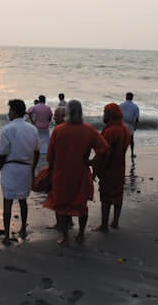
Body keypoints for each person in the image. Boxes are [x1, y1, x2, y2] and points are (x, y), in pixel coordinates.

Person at [44, 100, 109, 245]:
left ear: (67, 112)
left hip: (61, 174)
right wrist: (91, 162)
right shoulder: (89, 129)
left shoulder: (58, 130)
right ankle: (80, 234)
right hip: (80, 173)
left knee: (61, 205)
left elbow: (50, 156)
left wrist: (51, 168)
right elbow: (104, 149)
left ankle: (65, 237)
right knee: (81, 205)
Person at [0, 99, 40, 245]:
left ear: (15, 111)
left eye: (10, 110)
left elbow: (3, 153)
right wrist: (33, 168)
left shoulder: (7, 129)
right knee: (23, 201)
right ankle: (23, 228)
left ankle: (7, 235)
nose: (8, 113)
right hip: (25, 168)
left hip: (10, 167)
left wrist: (0, 167)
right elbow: (37, 151)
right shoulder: (32, 129)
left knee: (7, 202)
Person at [92, 103, 130, 232]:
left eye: (104, 112)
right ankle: (115, 221)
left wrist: (95, 168)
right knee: (118, 195)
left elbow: (103, 153)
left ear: (109, 114)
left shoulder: (110, 131)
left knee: (106, 197)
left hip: (109, 169)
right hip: (120, 167)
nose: (103, 115)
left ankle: (104, 225)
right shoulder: (124, 129)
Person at [119, 92, 140, 159]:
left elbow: (117, 115)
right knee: (131, 140)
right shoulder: (135, 106)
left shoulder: (121, 105)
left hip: (121, 124)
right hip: (130, 125)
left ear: (126, 97)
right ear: (132, 97)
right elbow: (137, 118)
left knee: (121, 140)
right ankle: (132, 153)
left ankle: (121, 153)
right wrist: (135, 126)